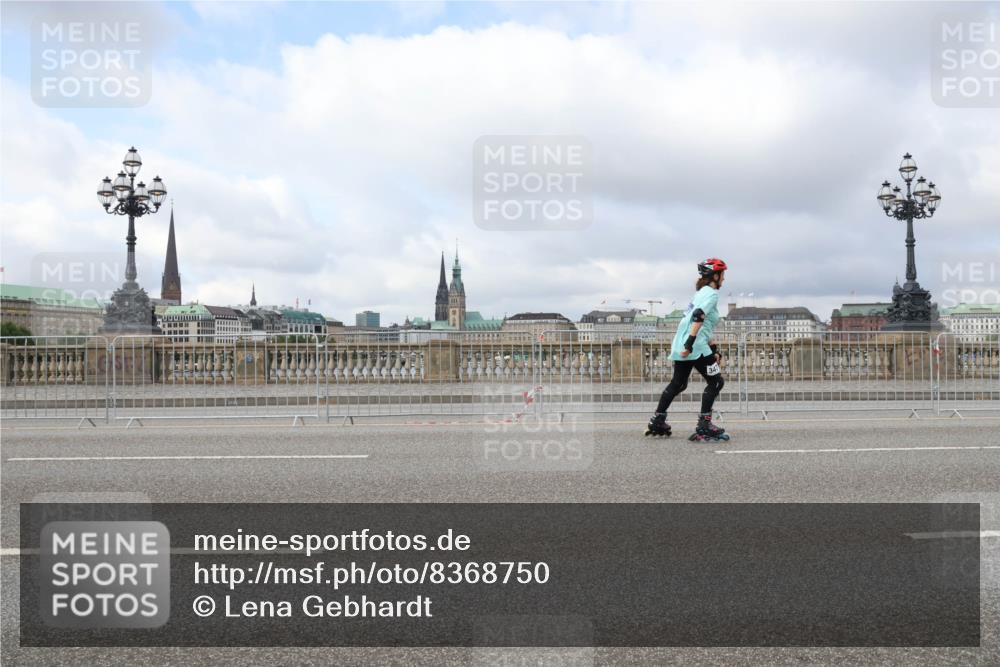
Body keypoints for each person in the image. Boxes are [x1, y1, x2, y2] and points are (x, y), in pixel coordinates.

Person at [645, 258, 730, 441]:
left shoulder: (700, 293)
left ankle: (658, 419)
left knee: (678, 384)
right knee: (716, 382)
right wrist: (690, 344)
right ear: (715, 275)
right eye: (722, 275)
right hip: (695, 346)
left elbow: (703, 323)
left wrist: (711, 348)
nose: (724, 279)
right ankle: (704, 425)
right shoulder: (712, 294)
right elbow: (699, 316)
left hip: (685, 343)